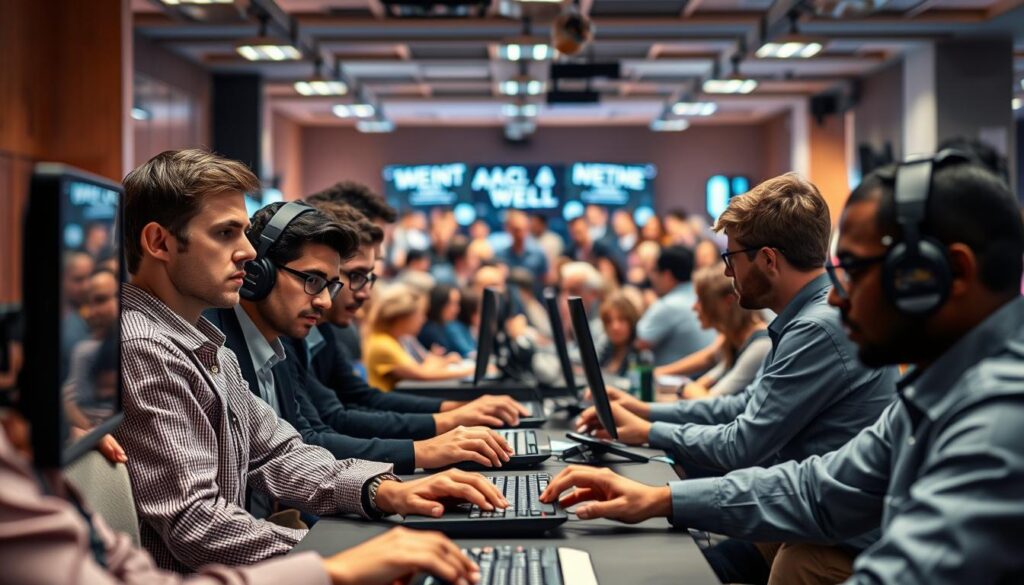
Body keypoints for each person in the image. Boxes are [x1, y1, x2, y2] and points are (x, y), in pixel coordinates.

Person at [543, 154, 1024, 585]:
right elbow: (817, 489)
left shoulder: (1000, 421)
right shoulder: (938, 390)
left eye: (852, 269)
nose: (836, 296)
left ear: (944, 275)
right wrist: (660, 499)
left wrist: (658, 466)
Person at [116, 149, 507, 571]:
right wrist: (337, 559)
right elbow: (198, 525)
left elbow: (281, 453)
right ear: (159, 242)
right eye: (226, 233)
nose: (248, 253)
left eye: (245, 233)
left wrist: (385, 491)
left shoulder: (204, 345)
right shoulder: (144, 348)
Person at [578, 173, 897, 582]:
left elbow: (742, 445)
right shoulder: (805, 320)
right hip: (813, 513)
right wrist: (645, 416)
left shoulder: (816, 328)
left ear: (767, 259)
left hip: (839, 536)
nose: (728, 272)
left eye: (732, 258)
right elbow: (744, 407)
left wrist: (655, 458)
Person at [206, 202, 513, 482]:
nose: (326, 301)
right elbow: (311, 439)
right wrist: (421, 451)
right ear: (259, 273)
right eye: (313, 281)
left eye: (332, 285)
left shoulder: (281, 342)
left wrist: (384, 490)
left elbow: (297, 448)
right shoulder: (216, 349)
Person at [298, 202, 527, 433]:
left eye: (369, 277)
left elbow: (360, 398)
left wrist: (456, 411)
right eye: (356, 275)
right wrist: (439, 435)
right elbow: (331, 423)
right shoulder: (298, 339)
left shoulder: (323, 332)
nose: (366, 293)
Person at [677, 264, 770, 399]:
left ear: (728, 302)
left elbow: (709, 402)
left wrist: (688, 389)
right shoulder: (731, 342)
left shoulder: (761, 345)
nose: (694, 307)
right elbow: (701, 386)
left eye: (701, 300)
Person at [364, 284, 475, 391]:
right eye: (420, 314)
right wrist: (470, 371)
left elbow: (424, 365)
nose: (423, 320)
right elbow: (423, 374)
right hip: (385, 405)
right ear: (402, 318)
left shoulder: (399, 339)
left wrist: (438, 363)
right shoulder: (383, 344)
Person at [634, 245, 718, 367]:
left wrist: (649, 306)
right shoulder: (701, 295)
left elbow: (641, 342)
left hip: (679, 380)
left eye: (656, 271)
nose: (653, 278)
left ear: (667, 275)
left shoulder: (668, 305)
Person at [496, 210, 548, 297]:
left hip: (534, 299)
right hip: (509, 301)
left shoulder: (538, 253)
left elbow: (544, 281)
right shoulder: (500, 255)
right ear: (508, 229)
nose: (520, 234)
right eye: (516, 230)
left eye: (524, 229)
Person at [596, 291, 641, 376]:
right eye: (609, 321)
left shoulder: (641, 353)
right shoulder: (605, 348)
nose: (615, 327)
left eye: (622, 319)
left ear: (631, 321)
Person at [419, 283, 470, 356]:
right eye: (452, 304)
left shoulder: (444, 326)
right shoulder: (430, 331)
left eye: (457, 303)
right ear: (439, 304)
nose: (457, 309)